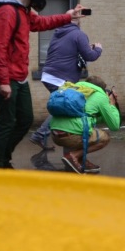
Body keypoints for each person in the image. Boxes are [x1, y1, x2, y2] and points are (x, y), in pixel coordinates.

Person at [0, 0, 84, 169]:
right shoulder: (7, 11)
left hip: (19, 76)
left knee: (25, 119)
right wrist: (3, 81)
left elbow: (40, 23)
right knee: (6, 122)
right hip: (7, 77)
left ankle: (3, 158)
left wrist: (68, 17)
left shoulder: (22, 11)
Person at [30, 11, 103, 150]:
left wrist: (88, 47)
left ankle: (43, 136)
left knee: (62, 107)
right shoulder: (79, 34)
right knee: (67, 107)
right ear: (78, 21)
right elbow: (90, 56)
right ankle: (42, 135)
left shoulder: (58, 33)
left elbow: (69, 51)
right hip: (60, 78)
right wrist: (98, 49)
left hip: (48, 75)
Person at [50, 75, 120, 174]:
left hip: (55, 135)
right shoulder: (100, 96)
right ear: (102, 88)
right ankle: (74, 155)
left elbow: (86, 116)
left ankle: (81, 161)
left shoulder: (72, 89)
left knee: (82, 127)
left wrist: (102, 114)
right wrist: (112, 105)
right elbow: (115, 125)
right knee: (105, 137)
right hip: (71, 137)